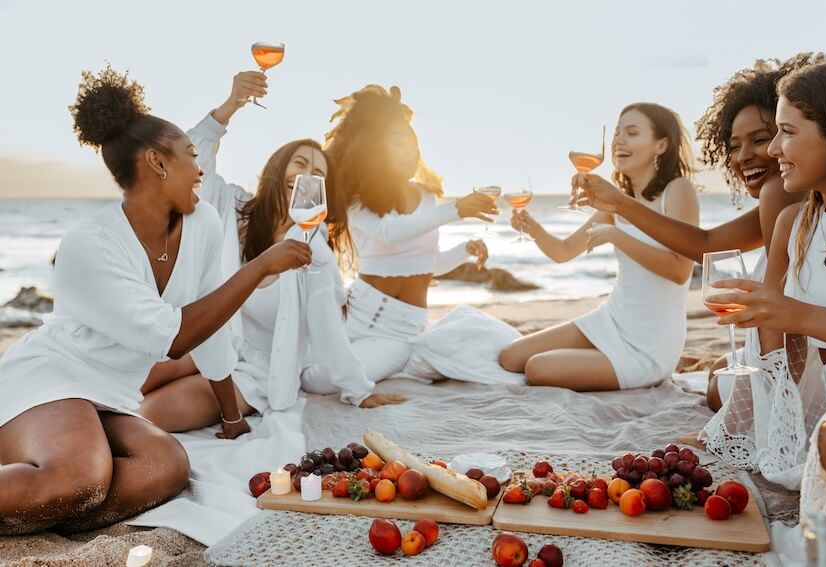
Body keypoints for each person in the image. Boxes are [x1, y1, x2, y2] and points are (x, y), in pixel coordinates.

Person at [0, 67, 311, 534]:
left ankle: (49, 505)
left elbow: (210, 327)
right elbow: (174, 335)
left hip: (111, 398)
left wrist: (231, 416)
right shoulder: (89, 244)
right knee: (80, 476)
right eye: (190, 155)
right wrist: (261, 266)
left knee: (165, 465)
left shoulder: (203, 223)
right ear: (157, 164)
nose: (200, 166)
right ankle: (54, 485)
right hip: (53, 380)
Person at [139, 72, 403, 428]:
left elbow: (328, 330)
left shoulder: (312, 248)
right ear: (280, 168)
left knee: (151, 415)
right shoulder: (232, 208)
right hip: (210, 341)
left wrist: (359, 391)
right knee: (132, 379)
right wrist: (229, 108)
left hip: (257, 372)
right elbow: (188, 162)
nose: (307, 176)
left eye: (318, 174)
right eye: (300, 164)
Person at [576, 54, 824, 408]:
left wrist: (775, 409)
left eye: (762, 138)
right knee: (717, 373)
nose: (745, 156)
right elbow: (705, 245)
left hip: (802, 359)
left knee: (715, 390)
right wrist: (621, 204)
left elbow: (779, 317)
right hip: (805, 349)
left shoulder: (777, 192)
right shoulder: (794, 197)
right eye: (735, 145)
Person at [702, 58, 826, 497]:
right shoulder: (792, 222)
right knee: (725, 388)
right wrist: (762, 322)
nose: (772, 150)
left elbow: (793, 315)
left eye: (787, 132)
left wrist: (793, 315)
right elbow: (776, 344)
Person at [499, 103, 699, 391]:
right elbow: (563, 251)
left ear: (661, 145)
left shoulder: (678, 191)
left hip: (648, 344)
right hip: (612, 319)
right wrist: (532, 227)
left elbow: (680, 270)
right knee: (510, 356)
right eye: (617, 133)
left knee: (537, 367)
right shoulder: (616, 201)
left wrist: (617, 236)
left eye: (631, 133)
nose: (619, 140)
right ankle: (596, 360)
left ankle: (609, 364)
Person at [322, 84, 496, 382]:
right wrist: (456, 210)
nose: (412, 151)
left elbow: (428, 265)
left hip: (401, 329)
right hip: (355, 313)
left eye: (414, 143)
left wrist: (464, 250)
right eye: (400, 142)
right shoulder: (355, 200)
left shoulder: (427, 197)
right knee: (313, 376)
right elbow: (390, 233)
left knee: (335, 380)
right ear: (374, 149)